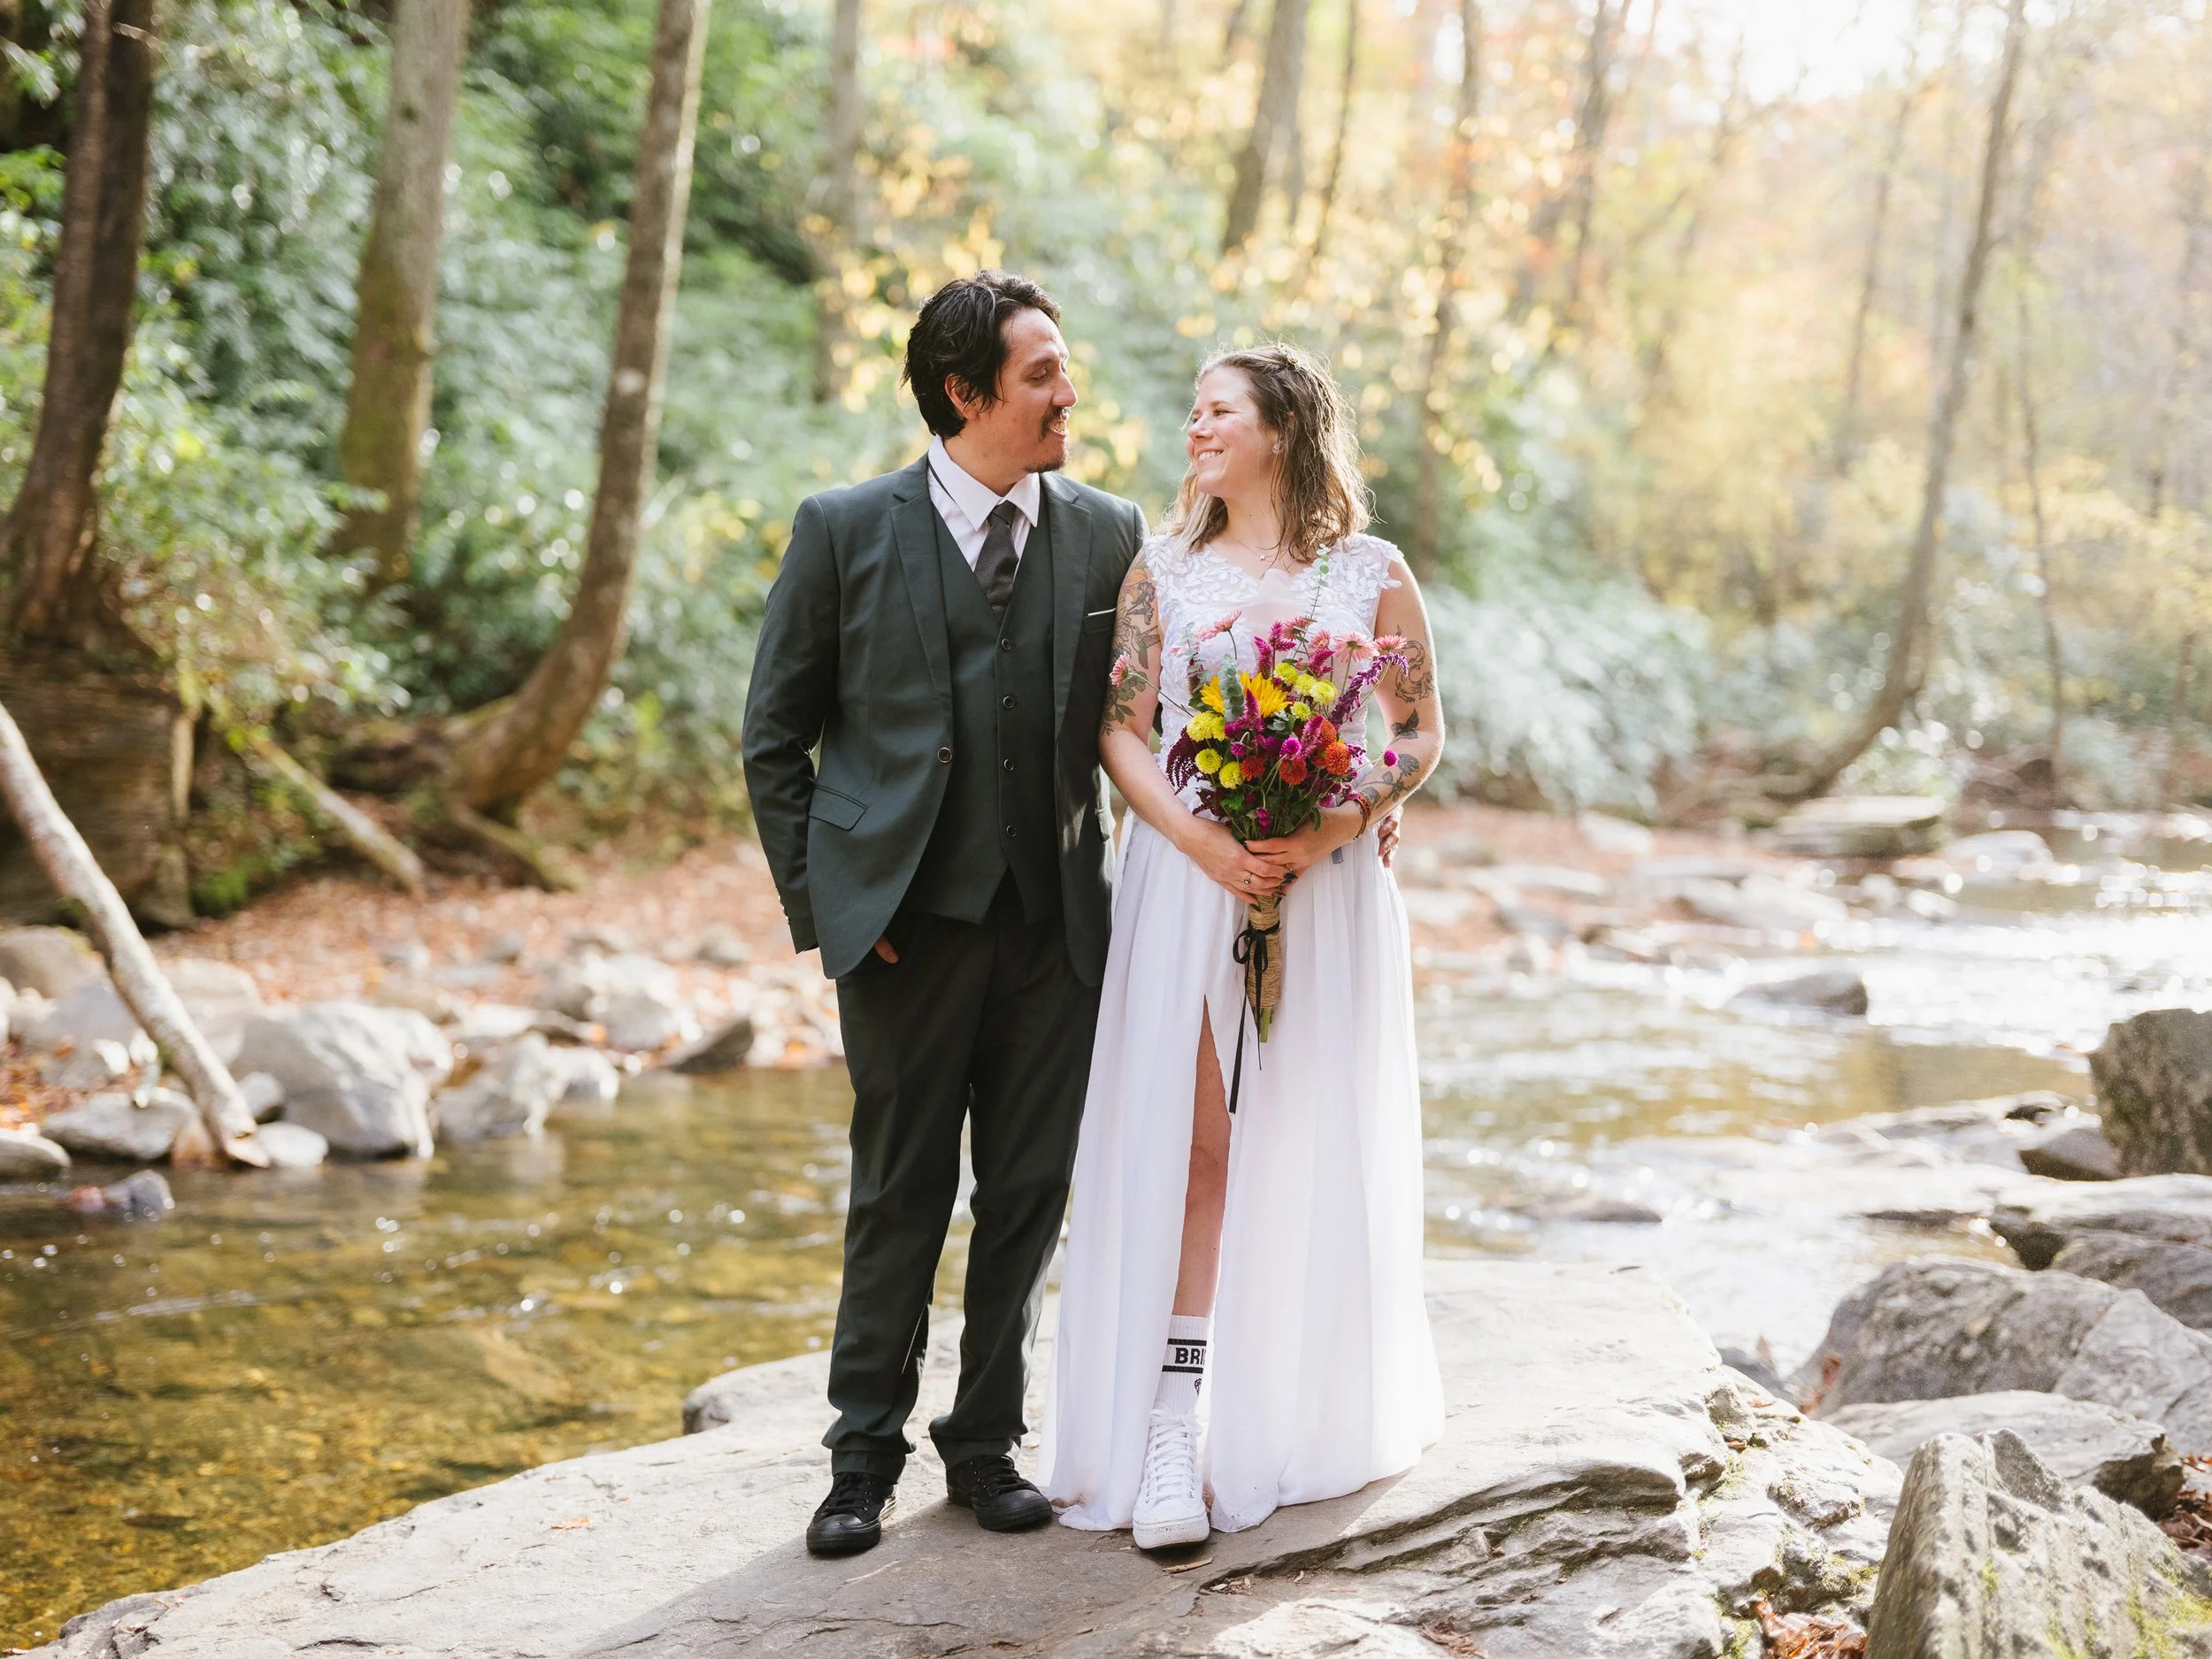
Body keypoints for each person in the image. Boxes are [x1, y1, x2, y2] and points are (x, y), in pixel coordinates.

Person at [741, 272, 1148, 1557]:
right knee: (900, 1193)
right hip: (904, 933)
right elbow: (774, 739)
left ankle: (985, 1445)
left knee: (1027, 1192)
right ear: (965, 392)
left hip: (1055, 931)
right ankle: (859, 1458)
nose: (1068, 394)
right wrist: (838, 909)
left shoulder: (1108, 531)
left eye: (1064, 371)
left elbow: (1150, 721)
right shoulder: (844, 527)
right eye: (1042, 375)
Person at [1041, 342, 1446, 1548]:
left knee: (1302, 1138)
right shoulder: (1159, 567)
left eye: (1217, 410)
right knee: (1197, 1145)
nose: (1195, 430)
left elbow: (1417, 731)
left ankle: (1282, 1411)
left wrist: (1331, 823)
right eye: (1193, 412)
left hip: (1319, 887)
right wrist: (1207, 848)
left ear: (1282, 426)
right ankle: (1170, 1423)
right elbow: (1122, 732)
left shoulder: (1371, 572)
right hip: (1186, 878)